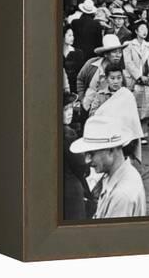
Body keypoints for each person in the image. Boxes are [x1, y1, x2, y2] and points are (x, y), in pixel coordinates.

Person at [70, 115, 146, 218]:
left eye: (92, 153)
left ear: (111, 150)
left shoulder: (121, 196)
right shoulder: (120, 174)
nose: (87, 160)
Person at [124, 20, 149, 143]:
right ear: (136, 31)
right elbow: (128, 63)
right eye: (141, 29)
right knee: (134, 106)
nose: (144, 31)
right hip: (134, 80)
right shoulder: (129, 45)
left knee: (146, 104)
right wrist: (139, 76)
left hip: (147, 80)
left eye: (146, 29)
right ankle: (133, 133)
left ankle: (143, 133)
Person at [78, 34, 126, 117]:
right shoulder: (91, 64)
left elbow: (124, 89)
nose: (118, 55)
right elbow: (80, 79)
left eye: (120, 52)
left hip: (106, 111)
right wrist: (82, 98)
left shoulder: (118, 70)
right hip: (87, 106)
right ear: (106, 54)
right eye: (114, 52)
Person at [63, 91, 91, 220]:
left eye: (70, 108)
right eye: (65, 109)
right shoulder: (68, 134)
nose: (69, 112)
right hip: (70, 188)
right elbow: (80, 165)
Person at [71, 0, 103, 64]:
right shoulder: (96, 24)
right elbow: (99, 43)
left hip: (76, 54)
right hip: (91, 55)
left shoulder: (74, 22)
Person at [63, 25, 84, 93]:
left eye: (72, 35)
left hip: (74, 88)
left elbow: (81, 74)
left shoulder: (78, 53)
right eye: (69, 35)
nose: (72, 38)